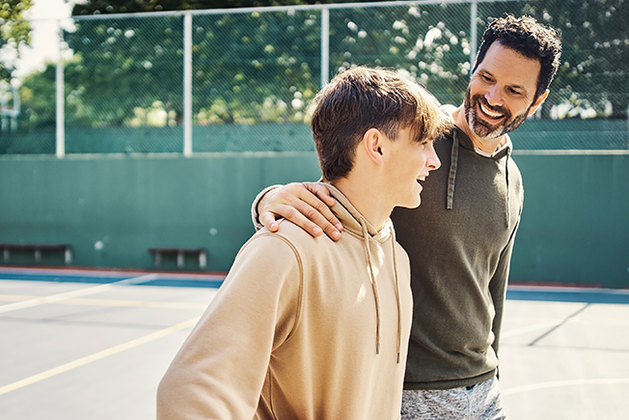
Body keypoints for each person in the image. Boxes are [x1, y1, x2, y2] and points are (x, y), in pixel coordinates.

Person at [251, 15, 562, 419]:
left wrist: (494, 369)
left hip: (484, 390)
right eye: (485, 77)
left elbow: (493, 290)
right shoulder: (420, 143)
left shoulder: (513, 179)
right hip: (408, 391)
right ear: (472, 70)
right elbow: (340, 191)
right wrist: (269, 200)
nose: (492, 96)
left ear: (537, 101)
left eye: (514, 90)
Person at [157, 67, 448, 419]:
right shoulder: (285, 250)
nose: (434, 161)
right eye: (422, 143)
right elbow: (191, 392)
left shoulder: (396, 258)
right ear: (376, 146)